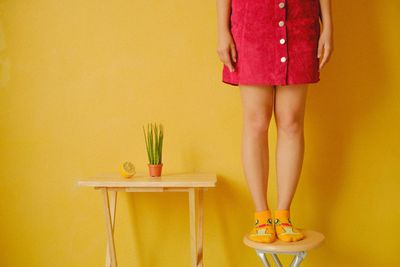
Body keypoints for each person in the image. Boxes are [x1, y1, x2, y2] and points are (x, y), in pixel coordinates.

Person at [216, 0, 333, 243]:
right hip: (252, 20)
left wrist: (329, 25)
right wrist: (222, 29)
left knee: (291, 121)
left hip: (300, 18)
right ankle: (261, 215)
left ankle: (283, 215)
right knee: (256, 121)